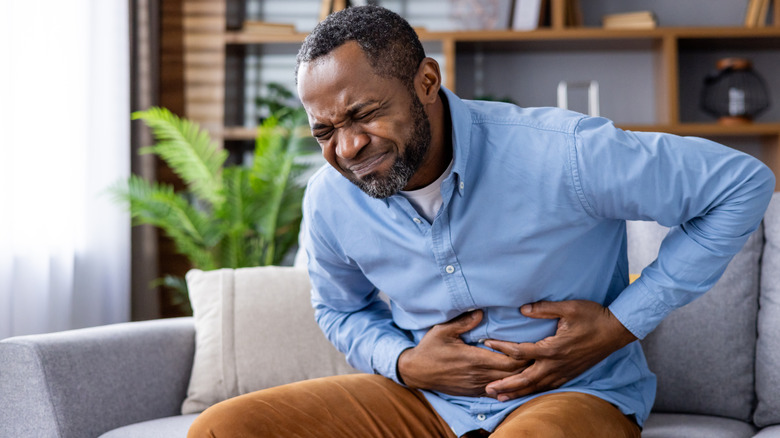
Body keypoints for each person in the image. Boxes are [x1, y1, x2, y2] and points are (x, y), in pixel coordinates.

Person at [188, 6, 774, 437]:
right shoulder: (330, 200)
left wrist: (621, 324)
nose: (347, 147)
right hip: (424, 400)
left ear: (426, 82)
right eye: (324, 131)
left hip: (571, 394)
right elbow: (338, 307)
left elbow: (741, 183)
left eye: (363, 114)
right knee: (223, 430)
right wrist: (403, 361)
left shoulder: (565, 152)